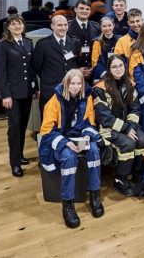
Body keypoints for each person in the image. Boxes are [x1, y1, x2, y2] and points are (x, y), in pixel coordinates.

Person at [38, 69, 104, 228]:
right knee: (69, 157)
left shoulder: (87, 98)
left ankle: (95, 195)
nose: (75, 87)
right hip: (62, 139)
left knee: (94, 150)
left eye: (78, 83)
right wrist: (64, 143)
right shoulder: (53, 101)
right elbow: (46, 131)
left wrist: (88, 136)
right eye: (72, 83)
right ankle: (67, 204)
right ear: (66, 84)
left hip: (80, 137)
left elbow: (90, 123)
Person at [92, 55, 144, 196]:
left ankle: (136, 173)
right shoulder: (100, 89)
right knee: (128, 144)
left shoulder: (130, 84)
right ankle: (120, 178)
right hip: (107, 129)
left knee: (143, 140)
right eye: (114, 67)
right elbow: (105, 118)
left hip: (128, 126)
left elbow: (135, 109)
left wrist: (131, 126)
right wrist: (126, 128)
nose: (118, 69)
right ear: (109, 69)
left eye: (121, 66)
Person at [0, 14, 39, 177]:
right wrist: (5, 95)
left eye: (19, 23)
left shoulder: (27, 42)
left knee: (22, 126)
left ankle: (19, 155)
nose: (17, 26)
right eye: (13, 24)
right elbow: (1, 73)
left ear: (23, 25)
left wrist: (36, 88)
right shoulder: (2, 45)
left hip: (27, 92)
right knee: (14, 127)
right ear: (8, 27)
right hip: (12, 94)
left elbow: (31, 68)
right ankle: (15, 163)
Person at [33, 15, 81, 116]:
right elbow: (36, 67)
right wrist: (50, 76)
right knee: (49, 122)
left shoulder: (75, 42)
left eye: (65, 25)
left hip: (70, 90)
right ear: (52, 26)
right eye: (59, 25)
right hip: (50, 90)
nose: (63, 28)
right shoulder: (43, 44)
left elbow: (76, 63)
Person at [67, 0, 101, 81]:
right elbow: (64, 51)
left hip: (93, 73)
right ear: (75, 9)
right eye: (81, 8)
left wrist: (93, 68)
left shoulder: (97, 27)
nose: (84, 11)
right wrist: (76, 70)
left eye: (87, 9)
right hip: (72, 74)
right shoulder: (67, 27)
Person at [91, 16, 120, 83]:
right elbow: (94, 62)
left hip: (118, 73)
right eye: (104, 26)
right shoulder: (96, 41)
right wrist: (105, 74)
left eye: (109, 25)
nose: (107, 28)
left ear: (113, 26)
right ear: (101, 27)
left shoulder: (120, 39)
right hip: (102, 76)